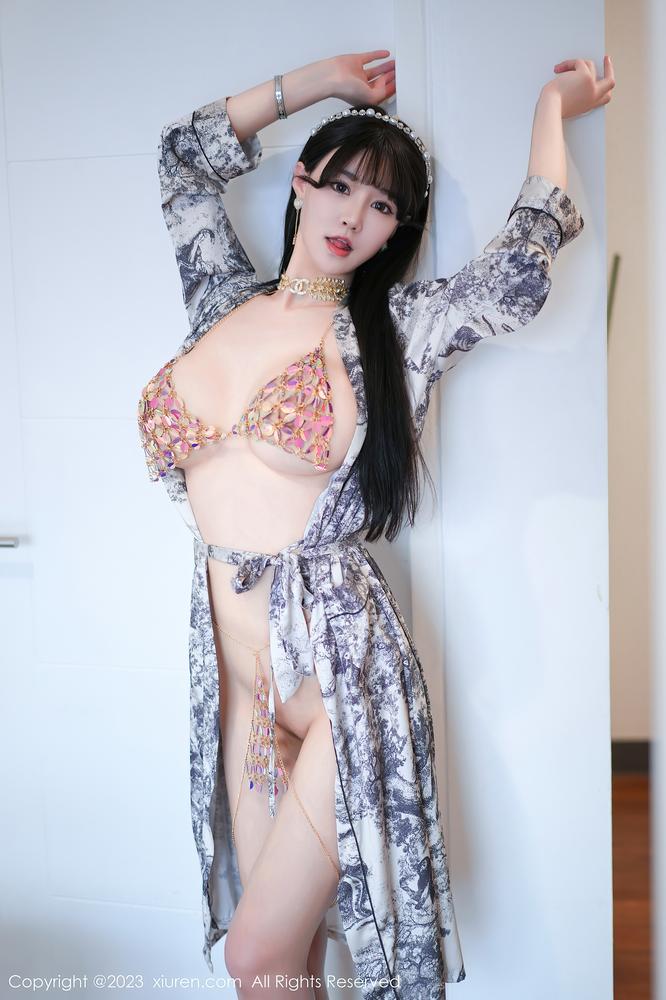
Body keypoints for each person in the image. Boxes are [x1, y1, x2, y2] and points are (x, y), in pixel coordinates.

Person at [137, 50, 614, 1000]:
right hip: (236, 685)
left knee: (253, 955)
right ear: (302, 183)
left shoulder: (396, 330)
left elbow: (518, 274)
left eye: (384, 205)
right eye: (342, 184)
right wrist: (320, 83)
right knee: (278, 974)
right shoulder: (218, 301)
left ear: (399, 229)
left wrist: (552, 105)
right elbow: (181, 157)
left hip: (340, 682)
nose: (354, 215)